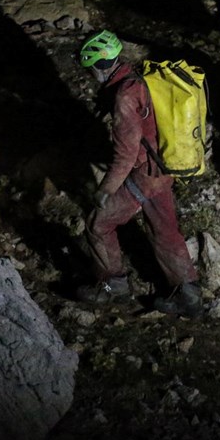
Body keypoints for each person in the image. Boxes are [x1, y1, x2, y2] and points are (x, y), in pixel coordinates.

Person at [76, 30, 202, 318]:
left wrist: (106, 190)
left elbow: (125, 154)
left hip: (144, 175)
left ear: (98, 66)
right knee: (165, 230)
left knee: (98, 224)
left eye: (89, 69)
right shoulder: (142, 77)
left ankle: (112, 286)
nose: (88, 75)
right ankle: (190, 296)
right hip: (165, 166)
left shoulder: (124, 96)